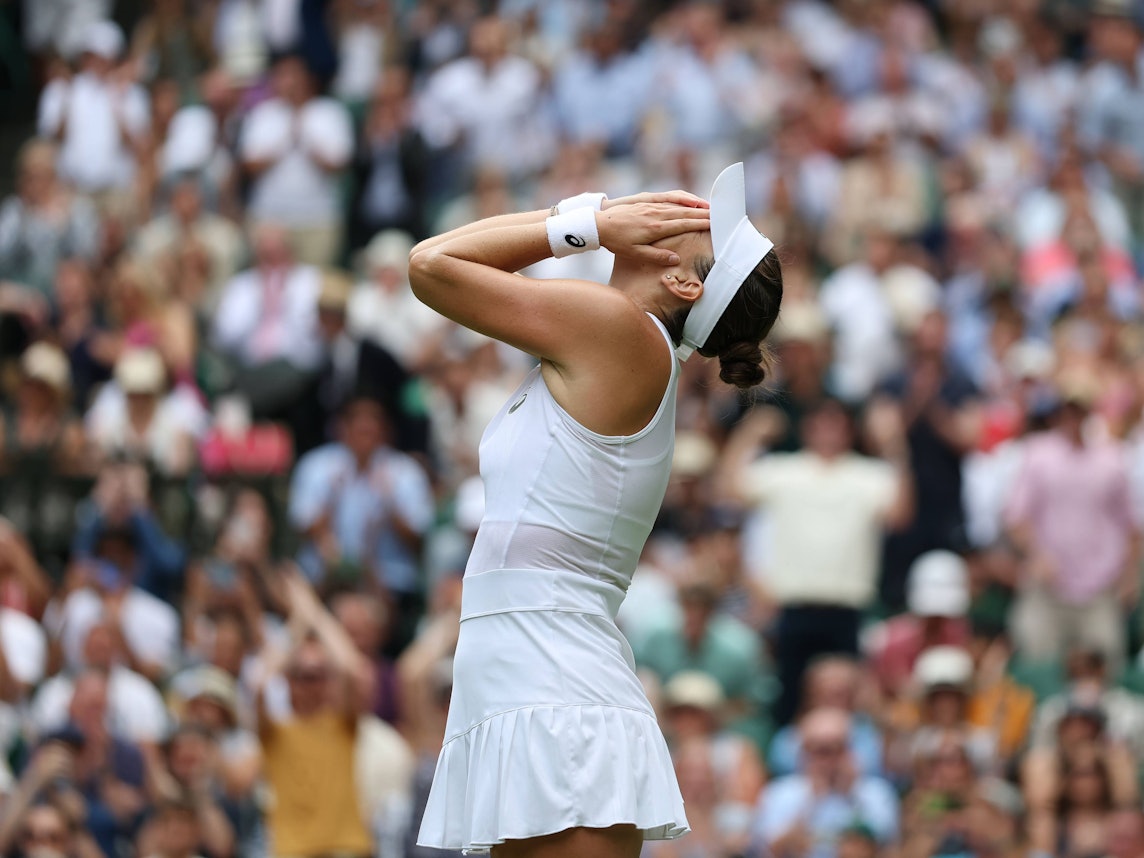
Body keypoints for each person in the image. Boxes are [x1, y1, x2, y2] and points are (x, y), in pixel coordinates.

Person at [409, 163, 782, 857]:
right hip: (530, 685)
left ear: (684, 282)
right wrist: (586, 214)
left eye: (695, 227)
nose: (671, 210)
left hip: (558, 696)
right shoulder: (615, 335)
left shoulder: (619, 329)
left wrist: (585, 224)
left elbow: (431, 265)